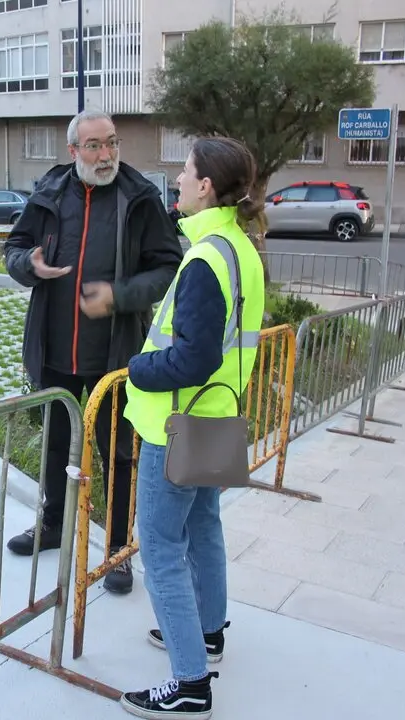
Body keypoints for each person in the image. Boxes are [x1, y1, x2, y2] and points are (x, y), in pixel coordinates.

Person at [3, 109, 183, 595]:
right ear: (73, 151)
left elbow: (169, 267)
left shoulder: (139, 197)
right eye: (94, 146)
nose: (105, 155)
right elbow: (14, 247)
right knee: (57, 448)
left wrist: (119, 296)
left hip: (116, 355)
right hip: (56, 350)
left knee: (119, 453)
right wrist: (29, 265)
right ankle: (54, 524)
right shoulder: (50, 193)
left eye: (112, 143)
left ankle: (118, 550)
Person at [117, 136, 266, 719]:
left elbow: (192, 357)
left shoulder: (207, 258)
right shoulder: (240, 247)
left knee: (160, 545)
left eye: (184, 171)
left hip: (175, 422)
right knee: (203, 523)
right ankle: (208, 634)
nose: (176, 179)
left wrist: (135, 366)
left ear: (205, 187)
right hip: (216, 414)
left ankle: (189, 682)